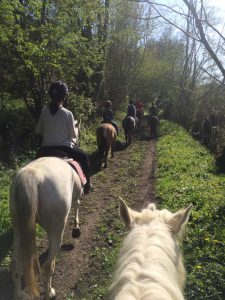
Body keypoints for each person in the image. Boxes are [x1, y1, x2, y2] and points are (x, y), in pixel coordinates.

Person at [35, 80, 93, 194]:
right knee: (84, 158)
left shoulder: (44, 112)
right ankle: (87, 186)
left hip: (45, 149)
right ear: (64, 97)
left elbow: (39, 132)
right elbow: (73, 135)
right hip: (64, 148)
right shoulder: (67, 113)